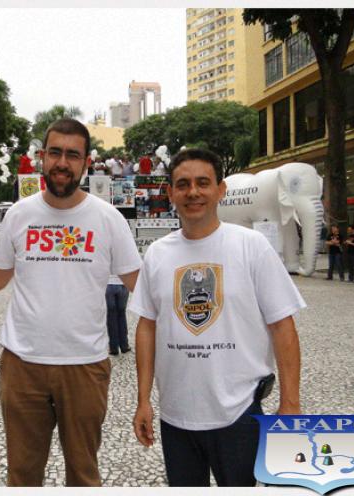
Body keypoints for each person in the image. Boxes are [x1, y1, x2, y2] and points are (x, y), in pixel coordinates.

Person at [0, 118, 141, 486]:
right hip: (23, 364)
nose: (62, 163)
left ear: (86, 162)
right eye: (55, 153)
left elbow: (140, 283)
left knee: (84, 474)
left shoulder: (108, 219)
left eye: (72, 155)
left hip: (85, 365)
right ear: (42, 157)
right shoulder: (19, 214)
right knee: (23, 474)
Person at [130, 148, 304, 487]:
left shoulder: (252, 246)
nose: (193, 192)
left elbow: (282, 325)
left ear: (220, 190)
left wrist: (290, 404)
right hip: (176, 416)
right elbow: (147, 327)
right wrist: (143, 400)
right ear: (171, 193)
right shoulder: (157, 255)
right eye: (183, 184)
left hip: (239, 414)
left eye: (203, 183)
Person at [106, 275, 131, 356]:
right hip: (123, 284)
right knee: (122, 314)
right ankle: (125, 346)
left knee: (111, 317)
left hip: (108, 284)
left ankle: (113, 348)